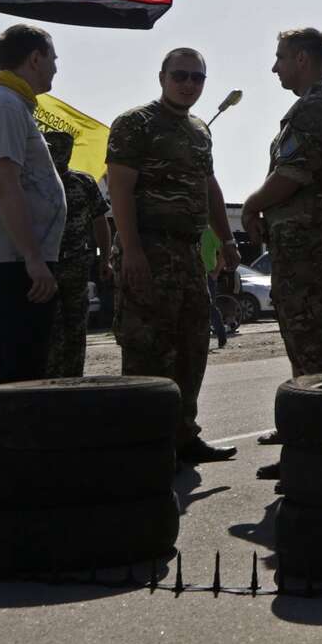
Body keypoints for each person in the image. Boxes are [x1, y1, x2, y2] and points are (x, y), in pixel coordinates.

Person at [105, 47, 239, 465]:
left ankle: (183, 436)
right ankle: (144, 446)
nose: (188, 84)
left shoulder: (199, 130)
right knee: (147, 349)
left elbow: (209, 187)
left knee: (192, 346)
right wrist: (132, 251)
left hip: (187, 252)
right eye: (180, 75)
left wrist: (227, 240)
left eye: (197, 77)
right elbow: (119, 189)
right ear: (162, 77)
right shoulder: (135, 123)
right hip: (148, 247)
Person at [0, 28, 68, 427]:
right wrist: (33, 258)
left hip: (13, 257)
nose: (56, 67)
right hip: (14, 260)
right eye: (53, 58)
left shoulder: (10, 104)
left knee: (1, 360)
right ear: (35, 58)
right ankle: (9, 454)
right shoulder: (3, 105)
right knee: (19, 367)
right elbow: (5, 185)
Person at [241, 28, 322, 388]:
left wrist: (250, 206)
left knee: (311, 347)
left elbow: (291, 175)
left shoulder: (316, 107)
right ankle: (311, 409)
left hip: (308, 247)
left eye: (281, 58)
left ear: (302, 59)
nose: (275, 67)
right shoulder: (315, 104)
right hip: (303, 247)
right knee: (304, 342)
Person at [43, 131, 109, 377]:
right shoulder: (34, 180)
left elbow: (100, 221)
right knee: (50, 325)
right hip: (45, 265)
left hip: (75, 263)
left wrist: (104, 258)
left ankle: (72, 378)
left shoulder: (83, 182)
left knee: (75, 324)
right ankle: (50, 378)